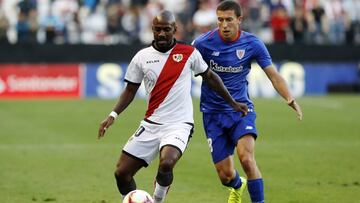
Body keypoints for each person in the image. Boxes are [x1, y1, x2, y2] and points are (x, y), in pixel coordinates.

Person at [98, 10, 248, 203]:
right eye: (157, 30)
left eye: (166, 30)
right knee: (121, 173)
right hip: (151, 123)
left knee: (167, 162)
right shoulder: (142, 57)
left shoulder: (189, 54)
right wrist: (113, 115)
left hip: (179, 124)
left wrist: (232, 102)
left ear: (175, 29)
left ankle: (157, 200)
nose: (161, 34)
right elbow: (130, 90)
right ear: (152, 29)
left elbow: (210, 76)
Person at [192, 1, 303, 203]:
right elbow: (184, 69)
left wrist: (289, 97)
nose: (224, 25)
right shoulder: (202, 44)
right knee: (226, 176)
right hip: (212, 113)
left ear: (239, 20)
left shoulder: (252, 44)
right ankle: (237, 185)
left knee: (246, 158)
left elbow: (273, 75)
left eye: (229, 20)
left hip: (241, 110)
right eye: (220, 20)